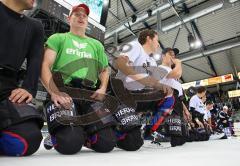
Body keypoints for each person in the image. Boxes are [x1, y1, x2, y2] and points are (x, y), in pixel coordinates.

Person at [41, 3, 117, 155]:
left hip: (90, 94)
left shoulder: (96, 45)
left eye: (84, 15)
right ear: (69, 18)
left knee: (107, 144)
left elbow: (104, 70)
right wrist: (54, 92)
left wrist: (102, 88)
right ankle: (59, 133)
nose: (81, 17)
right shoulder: (58, 38)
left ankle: (82, 132)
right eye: (77, 14)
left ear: (87, 21)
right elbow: (45, 65)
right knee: (69, 145)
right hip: (64, 91)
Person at [0, 0, 44, 156]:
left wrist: (28, 88)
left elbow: (36, 59)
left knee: (29, 138)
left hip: (7, 87)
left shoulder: (35, 26)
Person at [114, 29, 172, 149]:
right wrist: (142, 79)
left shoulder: (152, 62)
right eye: (157, 40)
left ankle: (149, 131)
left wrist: (161, 86)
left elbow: (153, 83)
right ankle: (114, 129)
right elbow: (120, 63)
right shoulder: (136, 46)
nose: (159, 44)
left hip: (139, 97)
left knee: (169, 96)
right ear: (148, 38)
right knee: (134, 143)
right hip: (123, 95)